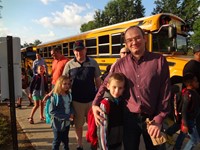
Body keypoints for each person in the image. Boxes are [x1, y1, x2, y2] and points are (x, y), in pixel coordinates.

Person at [92, 26, 171, 150]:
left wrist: (159, 118)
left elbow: (165, 93)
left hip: (153, 118)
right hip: (129, 119)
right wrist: (95, 104)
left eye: (137, 38)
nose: (134, 42)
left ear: (144, 38)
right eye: (130, 40)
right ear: (126, 43)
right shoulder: (120, 64)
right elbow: (105, 84)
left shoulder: (159, 61)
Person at [62, 40, 101, 150]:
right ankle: (80, 145)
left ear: (85, 50)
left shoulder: (93, 63)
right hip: (76, 101)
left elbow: (98, 81)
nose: (79, 53)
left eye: (81, 50)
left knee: (93, 125)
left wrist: (100, 97)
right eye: (77, 51)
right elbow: (63, 82)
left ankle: (94, 143)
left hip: (91, 101)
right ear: (74, 52)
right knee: (78, 125)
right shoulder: (69, 65)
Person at [98, 72, 126, 150]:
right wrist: (104, 147)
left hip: (117, 142)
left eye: (120, 88)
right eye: (114, 87)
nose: (117, 91)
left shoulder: (122, 102)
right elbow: (102, 130)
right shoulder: (105, 104)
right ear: (108, 86)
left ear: (123, 89)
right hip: (107, 144)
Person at [174, 73, 200, 150]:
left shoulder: (193, 92)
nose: (198, 82)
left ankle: (176, 147)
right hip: (189, 120)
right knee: (195, 139)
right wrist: (184, 124)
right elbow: (184, 109)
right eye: (196, 81)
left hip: (191, 120)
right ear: (191, 83)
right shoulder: (188, 94)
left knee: (182, 134)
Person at [49, 75, 74, 150]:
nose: (67, 86)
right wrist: (66, 117)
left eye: (68, 84)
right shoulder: (55, 96)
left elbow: (70, 105)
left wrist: (72, 113)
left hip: (66, 123)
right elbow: (52, 111)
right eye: (64, 84)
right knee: (57, 141)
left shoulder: (69, 95)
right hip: (57, 123)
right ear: (59, 84)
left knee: (65, 140)